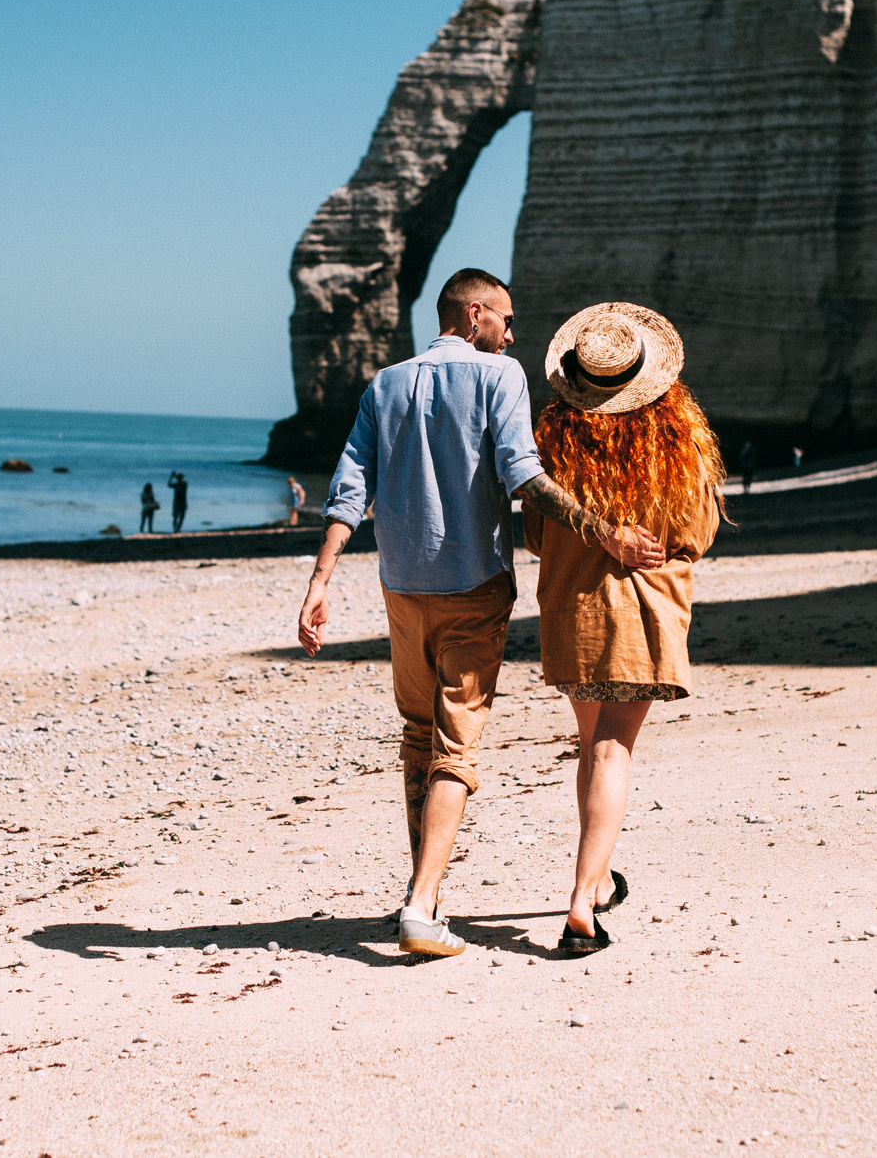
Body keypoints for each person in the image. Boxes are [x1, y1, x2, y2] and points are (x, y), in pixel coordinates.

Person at [299, 268, 665, 960]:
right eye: (505, 318)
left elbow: (349, 485)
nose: (512, 330)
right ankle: (418, 905)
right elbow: (523, 475)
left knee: (417, 734)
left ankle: (425, 891)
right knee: (455, 748)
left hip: (401, 586)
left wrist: (320, 579)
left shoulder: (384, 384)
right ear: (474, 315)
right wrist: (604, 531)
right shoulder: (501, 376)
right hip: (473, 584)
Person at [524, 304, 724, 954]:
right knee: (614, 750)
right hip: (642, 615)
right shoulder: (679, 441)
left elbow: (533, 531)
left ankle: (602, 874)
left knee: (593, 749)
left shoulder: (550, 440)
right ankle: (582, 900)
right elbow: (696, 535)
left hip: (572, 612)